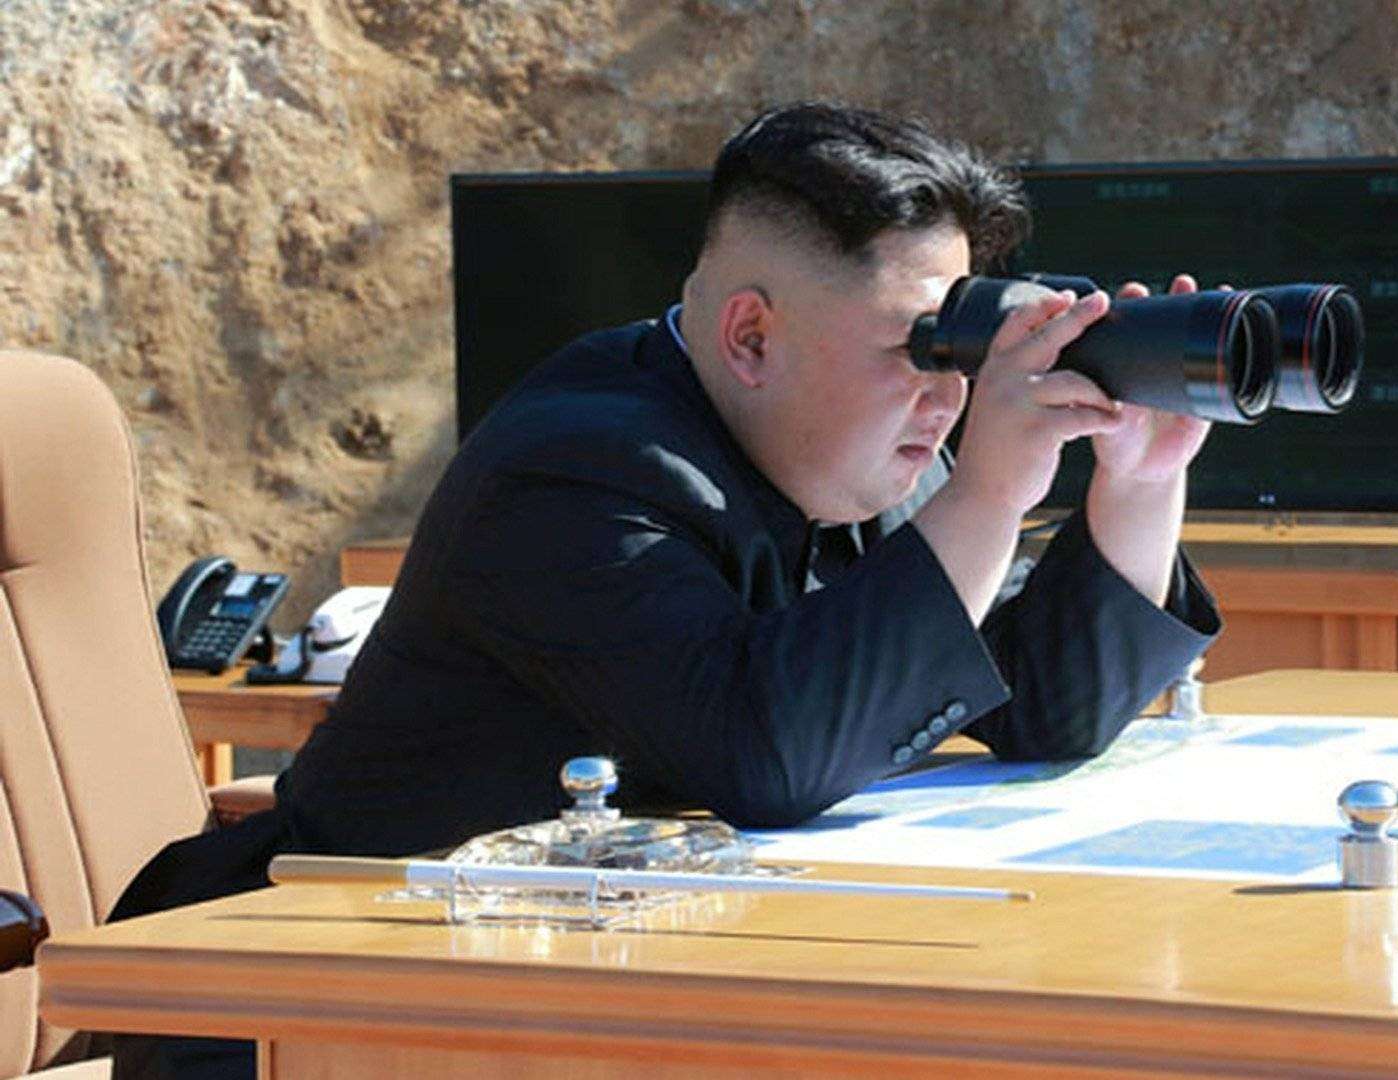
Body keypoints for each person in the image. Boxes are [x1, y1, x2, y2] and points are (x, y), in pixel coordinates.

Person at [109, 101, 1220, 1077]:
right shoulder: (575, 470)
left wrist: (1138, 483)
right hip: (330, 1013)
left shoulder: (847, 448)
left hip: (607, 997)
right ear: (752, 336)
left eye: (958, 349)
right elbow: (765, 754)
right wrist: (991, 490)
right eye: (917, 347)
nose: (947, 393)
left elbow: (1039, 705)